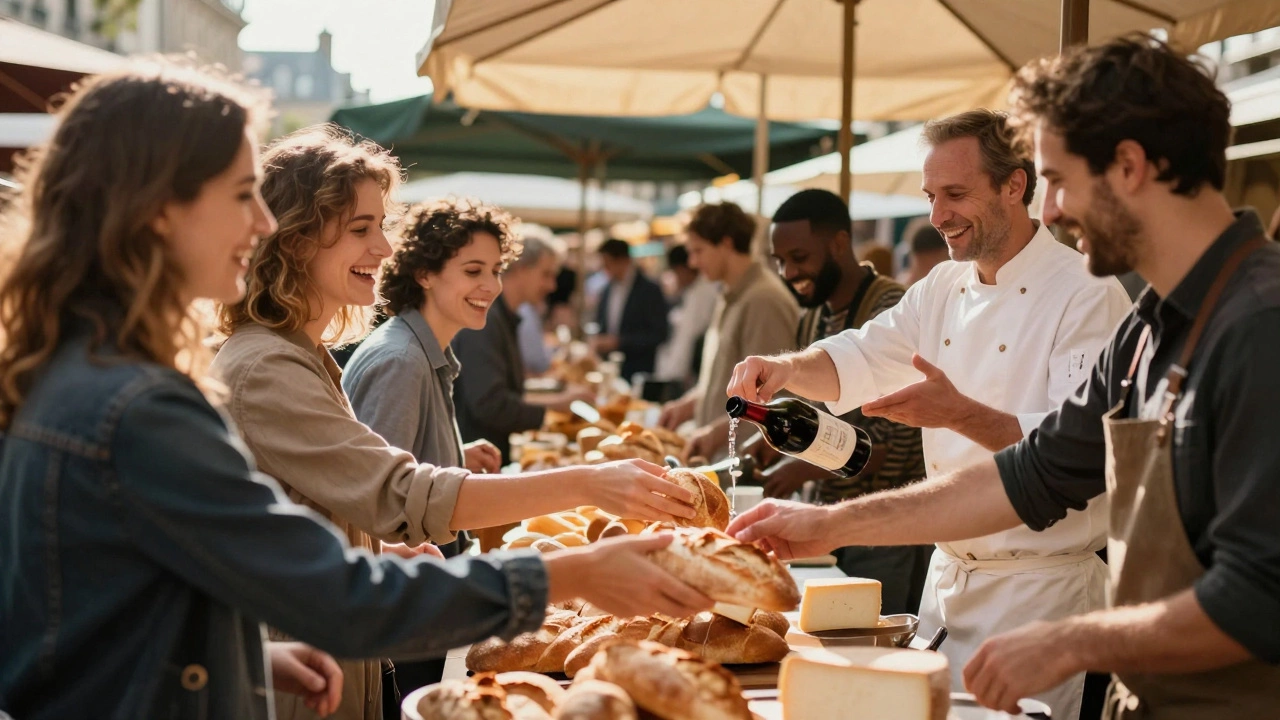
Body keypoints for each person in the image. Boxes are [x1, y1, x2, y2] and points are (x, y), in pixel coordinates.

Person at [0, 61, 709, 720]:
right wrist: (572, 573)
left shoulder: (83, 373)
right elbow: (342, 594)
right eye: (243, 196)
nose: (261, 224)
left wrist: (245, 656)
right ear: (158, 207)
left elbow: (99, 620)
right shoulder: (143, 402)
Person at [728, 36, 1280, 719]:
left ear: (1131, 166)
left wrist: (1070, 640)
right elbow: (1031, 474)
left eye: (1058, 180)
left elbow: (1262, 594)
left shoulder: (1260, 325)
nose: (1049, 210)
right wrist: (827, 526)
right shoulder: (1148, 329)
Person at [213, 126, 703, 720]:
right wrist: (588, 485)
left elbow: (318, 511)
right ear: (294, 240)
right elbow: (399, 494)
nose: (385, 249)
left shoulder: (297, 355)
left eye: (382, 227)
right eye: (361, 229)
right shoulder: (268, 366)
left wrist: (373, 554)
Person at [725, 109, 1133, 719]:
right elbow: (859, 354)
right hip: (945, 589)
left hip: (1041, 601)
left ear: (1015, 186)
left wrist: (960, 413)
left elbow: (1074, 454)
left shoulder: (1086, 292)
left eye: (956, 194)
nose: (937, 215)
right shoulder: (941, 287)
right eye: (930, 196)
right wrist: (785, 369)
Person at [340, 198, 513, 713]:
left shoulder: (420, 351)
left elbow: (402, 463)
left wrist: (456, 455)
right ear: (424, 273)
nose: (491, 286)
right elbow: (378, 501)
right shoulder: (401, 360)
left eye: (497, 270)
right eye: (473, 270)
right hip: (405, 616)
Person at [746, 188, 930, 615]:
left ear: (839, 244)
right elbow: (807, 414)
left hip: (886, 530)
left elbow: (890, 445)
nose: (789, 271)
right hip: (827, 518)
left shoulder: (890, 306)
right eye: (780, 261)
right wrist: (770, 439)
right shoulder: (812, 313)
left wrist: (798, 467)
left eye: (799, 257)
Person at [658, 202, 799, 461]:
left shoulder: (763, 299)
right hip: (722, 458)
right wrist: (689, 405)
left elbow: (770, 398)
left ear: (726, 243)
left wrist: (714, 434)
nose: (692, 262)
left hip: (743, 466)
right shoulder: (730, 293)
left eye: (698, 251)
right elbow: (724, 381)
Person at [453, 229, 593, 464]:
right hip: (476, 466)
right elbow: (490, 404)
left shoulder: (502, 317)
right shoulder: (486, 320)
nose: (551, 285)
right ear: (520, 269)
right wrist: (556, 406)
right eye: (546, 274)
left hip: (486, 460)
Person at [592, 238, 669, 382]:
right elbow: (603, 324)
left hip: (638, 372)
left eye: (607, 264)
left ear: (623, 260)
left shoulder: (650, 290)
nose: (605, 269)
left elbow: (659, 335)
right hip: (611, 371)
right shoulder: (607, 289)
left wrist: (620, 342)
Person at [652, 243, 719, 393]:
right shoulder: (694, 291)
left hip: (686, 376)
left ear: (682, 269)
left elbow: (688, 339)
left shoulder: (703, 293)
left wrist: (671, 377)